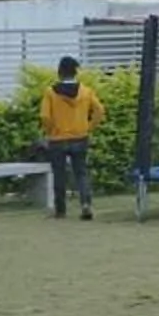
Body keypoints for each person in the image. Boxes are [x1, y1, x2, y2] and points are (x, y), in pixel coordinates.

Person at [38, 54, 106, 220]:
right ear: (75, 72)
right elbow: (100, 111)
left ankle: (60, 210)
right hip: (80, 137)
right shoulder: (86, 91)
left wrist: (51, 131)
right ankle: (86, 204)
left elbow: (45, 117)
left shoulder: (50, 93)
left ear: (59, 72)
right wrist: (88, 127)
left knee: (59, 174)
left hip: (57, 139)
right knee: (81, 173)